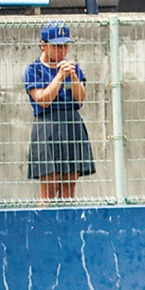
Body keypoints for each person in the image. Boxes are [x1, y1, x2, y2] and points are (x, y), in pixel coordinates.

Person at [24, 21, 94, 203]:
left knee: (69, 184)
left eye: (65, 46)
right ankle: (46, 225)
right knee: (49, 184)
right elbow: (43, 99)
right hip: (47, 126)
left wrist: (73, 77)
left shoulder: (73, 69)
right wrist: (59, 76)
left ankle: (68, 224)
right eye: (56, 46)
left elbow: (80, 98)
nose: (62, 51)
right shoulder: (34, 70)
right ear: (44, 45)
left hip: (71, 124)